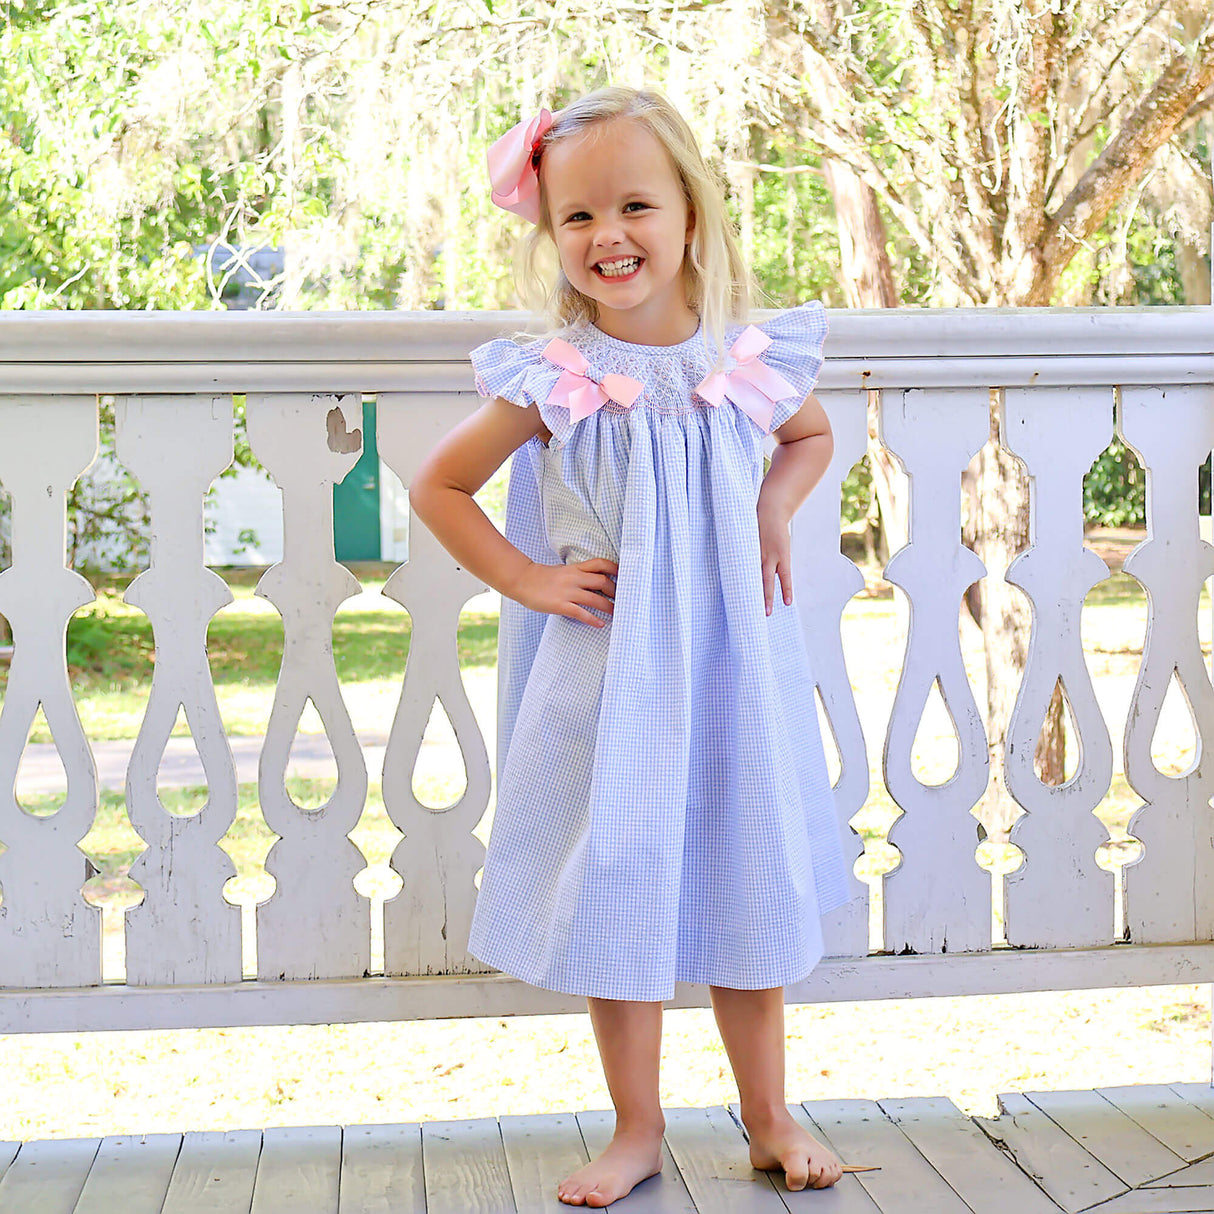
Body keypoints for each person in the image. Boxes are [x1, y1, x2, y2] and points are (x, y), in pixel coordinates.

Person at [409, 85, 852, 1207]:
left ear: (690, 215)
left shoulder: (744, 364)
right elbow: (441, 484)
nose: (609, 235)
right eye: (577, 216)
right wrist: (527, 577)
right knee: (617, 880)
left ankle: (767, 1113)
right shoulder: (557, 376)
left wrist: (771, 508)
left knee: (743, 867)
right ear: (549, 235)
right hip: (610, 679)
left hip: (727, 676)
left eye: (635, 206)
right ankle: (636, 1125)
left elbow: (809, 436)